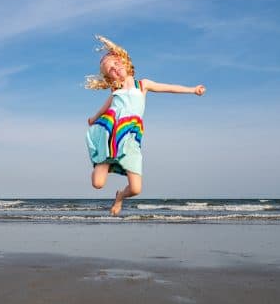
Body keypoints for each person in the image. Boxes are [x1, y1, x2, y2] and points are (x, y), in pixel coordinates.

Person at [85, 35, 206, 215]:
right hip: (110, 135)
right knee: (98, 184)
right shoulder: (115, 90)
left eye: (117, 64)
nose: (116, 69)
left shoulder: (142, 85)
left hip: (131, 136)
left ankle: (119, 197)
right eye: (110, 70)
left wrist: (192, 90)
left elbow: (169, 88)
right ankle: (105, 162)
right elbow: (106, 107)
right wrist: (94, 118)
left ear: (125, 62)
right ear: (109, 77)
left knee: (135, 189)